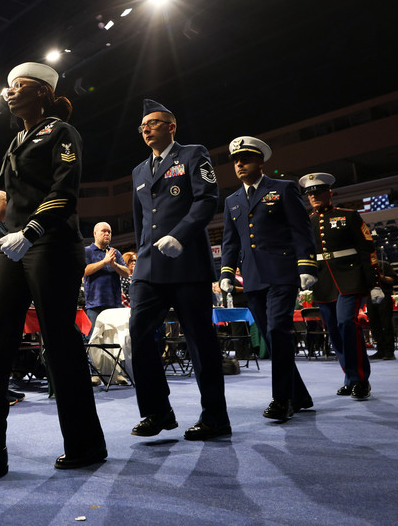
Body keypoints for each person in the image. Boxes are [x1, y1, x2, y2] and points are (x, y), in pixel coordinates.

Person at [0, 62, 105, 475]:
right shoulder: (18, 137)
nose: (9, 92)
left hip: (49, 243)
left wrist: (31, 231)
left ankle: (86, 444)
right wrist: (13, 234)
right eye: (8, 85)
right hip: (14, 248)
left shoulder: (61, 132)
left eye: (19, 86)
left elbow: (64, 191)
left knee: (59, 342)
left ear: (43, 93)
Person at [127, 98, 230, 441]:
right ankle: (157, 412)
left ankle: (215, 417)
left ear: (171, 126)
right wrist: (141, 256)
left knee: (201, 342)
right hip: (148, 268)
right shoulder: (139, 171)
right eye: (143, 125)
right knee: (138, 337)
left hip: (187, 264)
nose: (146, 129)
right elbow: (141, 220)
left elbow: (207, 199)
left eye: (153, 123)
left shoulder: (192, 154)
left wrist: (180, 235)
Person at [219, 137, 317, 421]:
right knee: (273, 339)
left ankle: (282, 400)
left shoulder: (283, 189)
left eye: (246, 159)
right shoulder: (232, 201)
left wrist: (306, 266)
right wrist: (226, 271)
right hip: (251, 279)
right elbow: (230, 242)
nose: (239, 164)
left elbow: (301, 230)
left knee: (277, 331)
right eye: (236, 161)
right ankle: (300, 395)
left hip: (282, 274)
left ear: (261, 161)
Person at [300, 173, 383, 399]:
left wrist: (374, 284)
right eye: (310, 193)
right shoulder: (307, 222)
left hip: (350, 278)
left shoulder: (349, 216)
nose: (314, 196)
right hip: (323, 282)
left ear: (330, 193)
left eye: (318, 192)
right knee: (334, 332)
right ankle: (349, 377)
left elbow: (368, 251)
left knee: (347, 322)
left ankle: (360, 380)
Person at [83, 222, 128, 331]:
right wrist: (104, 262)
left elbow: (126, 273)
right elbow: (83, 271)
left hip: (115, 304)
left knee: (115, 340)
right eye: (104, 231)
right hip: (94, 305)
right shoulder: (87, 251)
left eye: (109, 232)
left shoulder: (115, 253)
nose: (107, 233)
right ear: (95, 233)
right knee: (94, 340)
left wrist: (114, 265)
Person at [366, 259, 398, 360]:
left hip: (384, 294)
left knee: (386, 323)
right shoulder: (366, 265)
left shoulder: (384, 265)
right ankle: (380, 350)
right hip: (370, 296)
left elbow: (393, 280)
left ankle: (389, 352)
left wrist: (382, 277)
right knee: (374, 324)